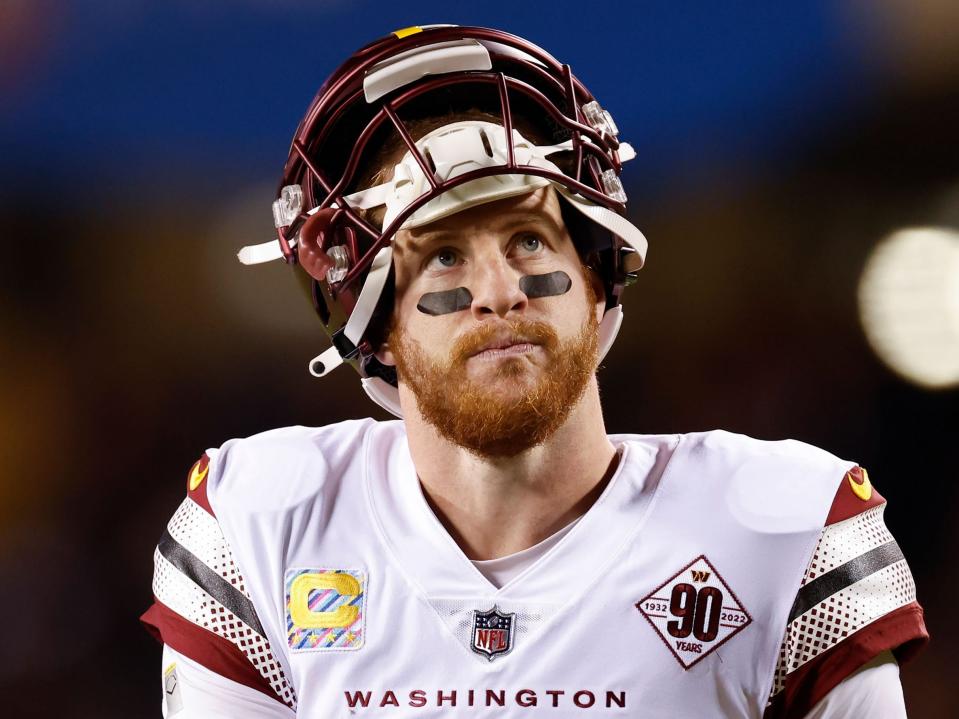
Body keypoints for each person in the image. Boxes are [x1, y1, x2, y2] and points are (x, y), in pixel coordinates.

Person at [141, 25, 927, 718]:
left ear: (596, 275)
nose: (498, 292)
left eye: (528, 240)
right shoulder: (264, 525)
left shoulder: (782, 529)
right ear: (372, 323)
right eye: (444, 254)